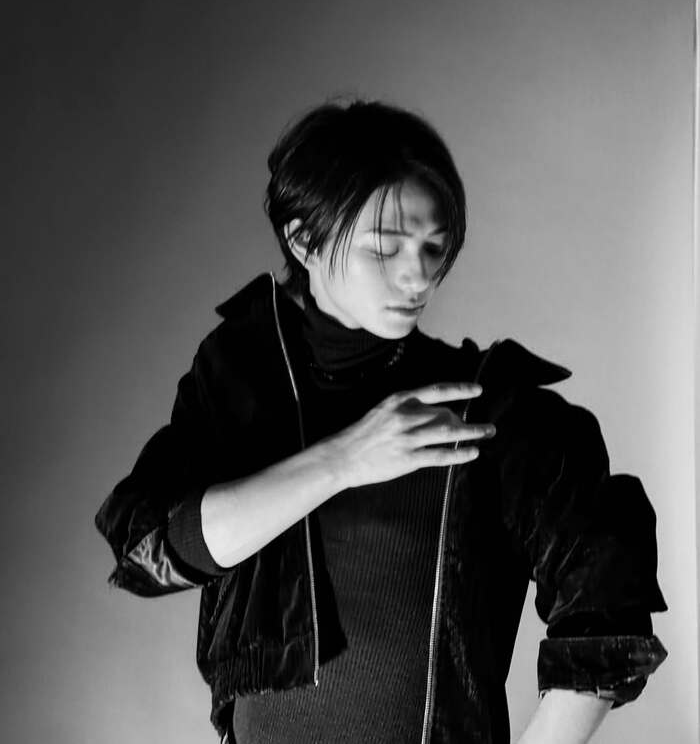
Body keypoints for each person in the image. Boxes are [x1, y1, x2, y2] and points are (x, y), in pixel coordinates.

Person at [96, 100, 667, 744]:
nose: (417, 275)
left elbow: (607, 611)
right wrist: (343, 460)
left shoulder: (484, 411)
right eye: (384, 248)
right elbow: (151, 553)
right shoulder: (240, 385)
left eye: (433, 247)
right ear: (303, 241)